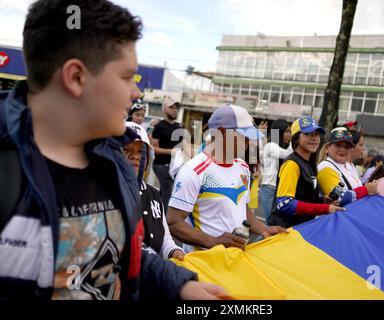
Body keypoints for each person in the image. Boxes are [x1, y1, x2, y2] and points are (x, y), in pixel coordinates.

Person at [0, 0, 225, 300]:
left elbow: (118, 255)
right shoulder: (7, 173)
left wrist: (181, 285)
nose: (137, 93)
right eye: (126, 76)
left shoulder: (114, 163)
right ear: (76, 77)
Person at [167, 104, 286, 253]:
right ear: (223, 132)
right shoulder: (192, 171)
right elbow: (173, 223)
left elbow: (243, 209)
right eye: (245, 136)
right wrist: (214, 242)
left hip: (234, 261)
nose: (250, 142)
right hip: (204, 265)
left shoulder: (243, 167)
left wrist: (264, 229)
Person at [267, 117, 345, 228]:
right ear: (296, 138)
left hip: (300, 229)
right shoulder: (292, 164)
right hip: (283, 230)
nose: (314, 138)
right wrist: (323, 208)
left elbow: (304, 198)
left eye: (317, 134)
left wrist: (322, 201)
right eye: (308, 134)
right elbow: (284, 204)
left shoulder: (310, 164)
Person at [124, 122, 184, 260]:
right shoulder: (107, 195)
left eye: (141, 151)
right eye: (127, 150)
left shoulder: (154, 194)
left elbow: (165, 239)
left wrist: (174, 251)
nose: (136, 156)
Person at [317, 127, 378, 206]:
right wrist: (366, 189)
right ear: (327, 148)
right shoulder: (326, 167)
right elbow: (339, 198)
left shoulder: (348, 166)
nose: (342, 149)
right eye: (338, 145)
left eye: (347, 147)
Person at [151, 97, 183, 211]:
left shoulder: (178, 127)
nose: (175, 110)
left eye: (176, 107)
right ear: (165, 109)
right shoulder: (159, 127)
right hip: (161, 165)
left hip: (175, 165)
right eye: (171, 107)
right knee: (167, 194)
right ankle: (162, 222)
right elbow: (153, 148)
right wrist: (171, 151)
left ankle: (155, 215)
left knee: (165, 193)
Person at [260, 119, 292, 221]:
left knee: (273, 223)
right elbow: (287, 154)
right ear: (279, 132)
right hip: (270, 188)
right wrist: (295, 141)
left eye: (290, 132)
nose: (289, 135)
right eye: (287, 131)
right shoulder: (270, 146)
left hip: (278, 189)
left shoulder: (279, 147)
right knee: (270, 223)